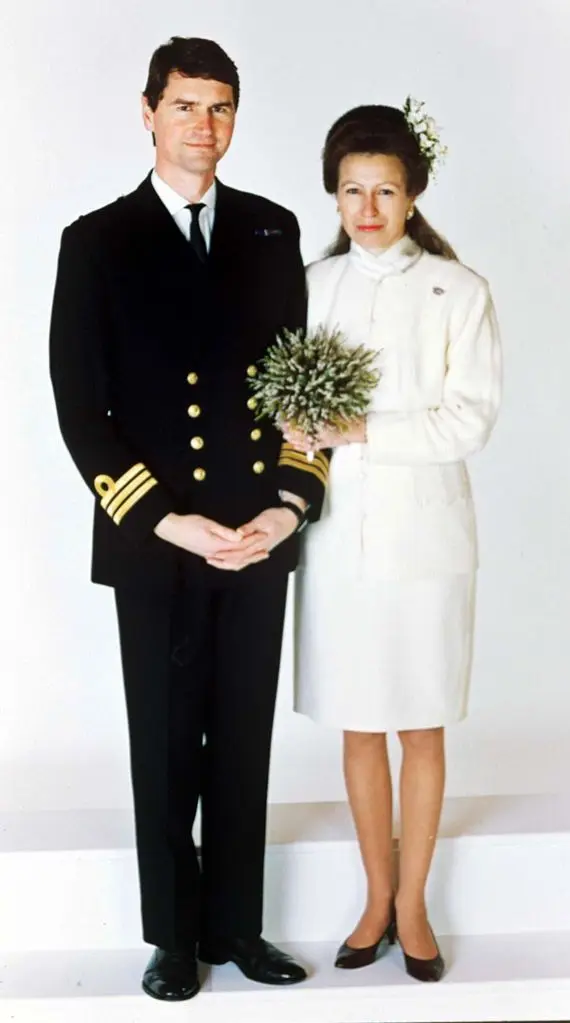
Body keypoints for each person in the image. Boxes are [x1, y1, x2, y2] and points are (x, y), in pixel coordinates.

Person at [49, 36, 329, 1002]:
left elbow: (302, 386)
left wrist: (292, 503)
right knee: (166, 742)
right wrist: (163, 520)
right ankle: (173, 935)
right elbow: (81, 407)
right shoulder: (97, 240)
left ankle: (236, 927)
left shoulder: (269, 229)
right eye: (184, 106)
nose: (202, 127)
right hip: (159, 541)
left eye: (219, 107)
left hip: (254, 532)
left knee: (243, 738)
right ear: (147, 112)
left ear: (235, 118)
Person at [283, 102, 502, 982]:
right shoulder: (308, 287)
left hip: (427, 537)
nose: (366, 208)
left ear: (411, 195)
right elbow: (285, 410)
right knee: (357, 721)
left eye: (384, 190)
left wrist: (361, 427)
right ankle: (374, 892)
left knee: (419, 719)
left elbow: (468, 420)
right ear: (333, 197)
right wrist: (300, 431)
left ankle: (414, 903)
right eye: (350, 191)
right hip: (337, 541)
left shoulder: (460, 290)